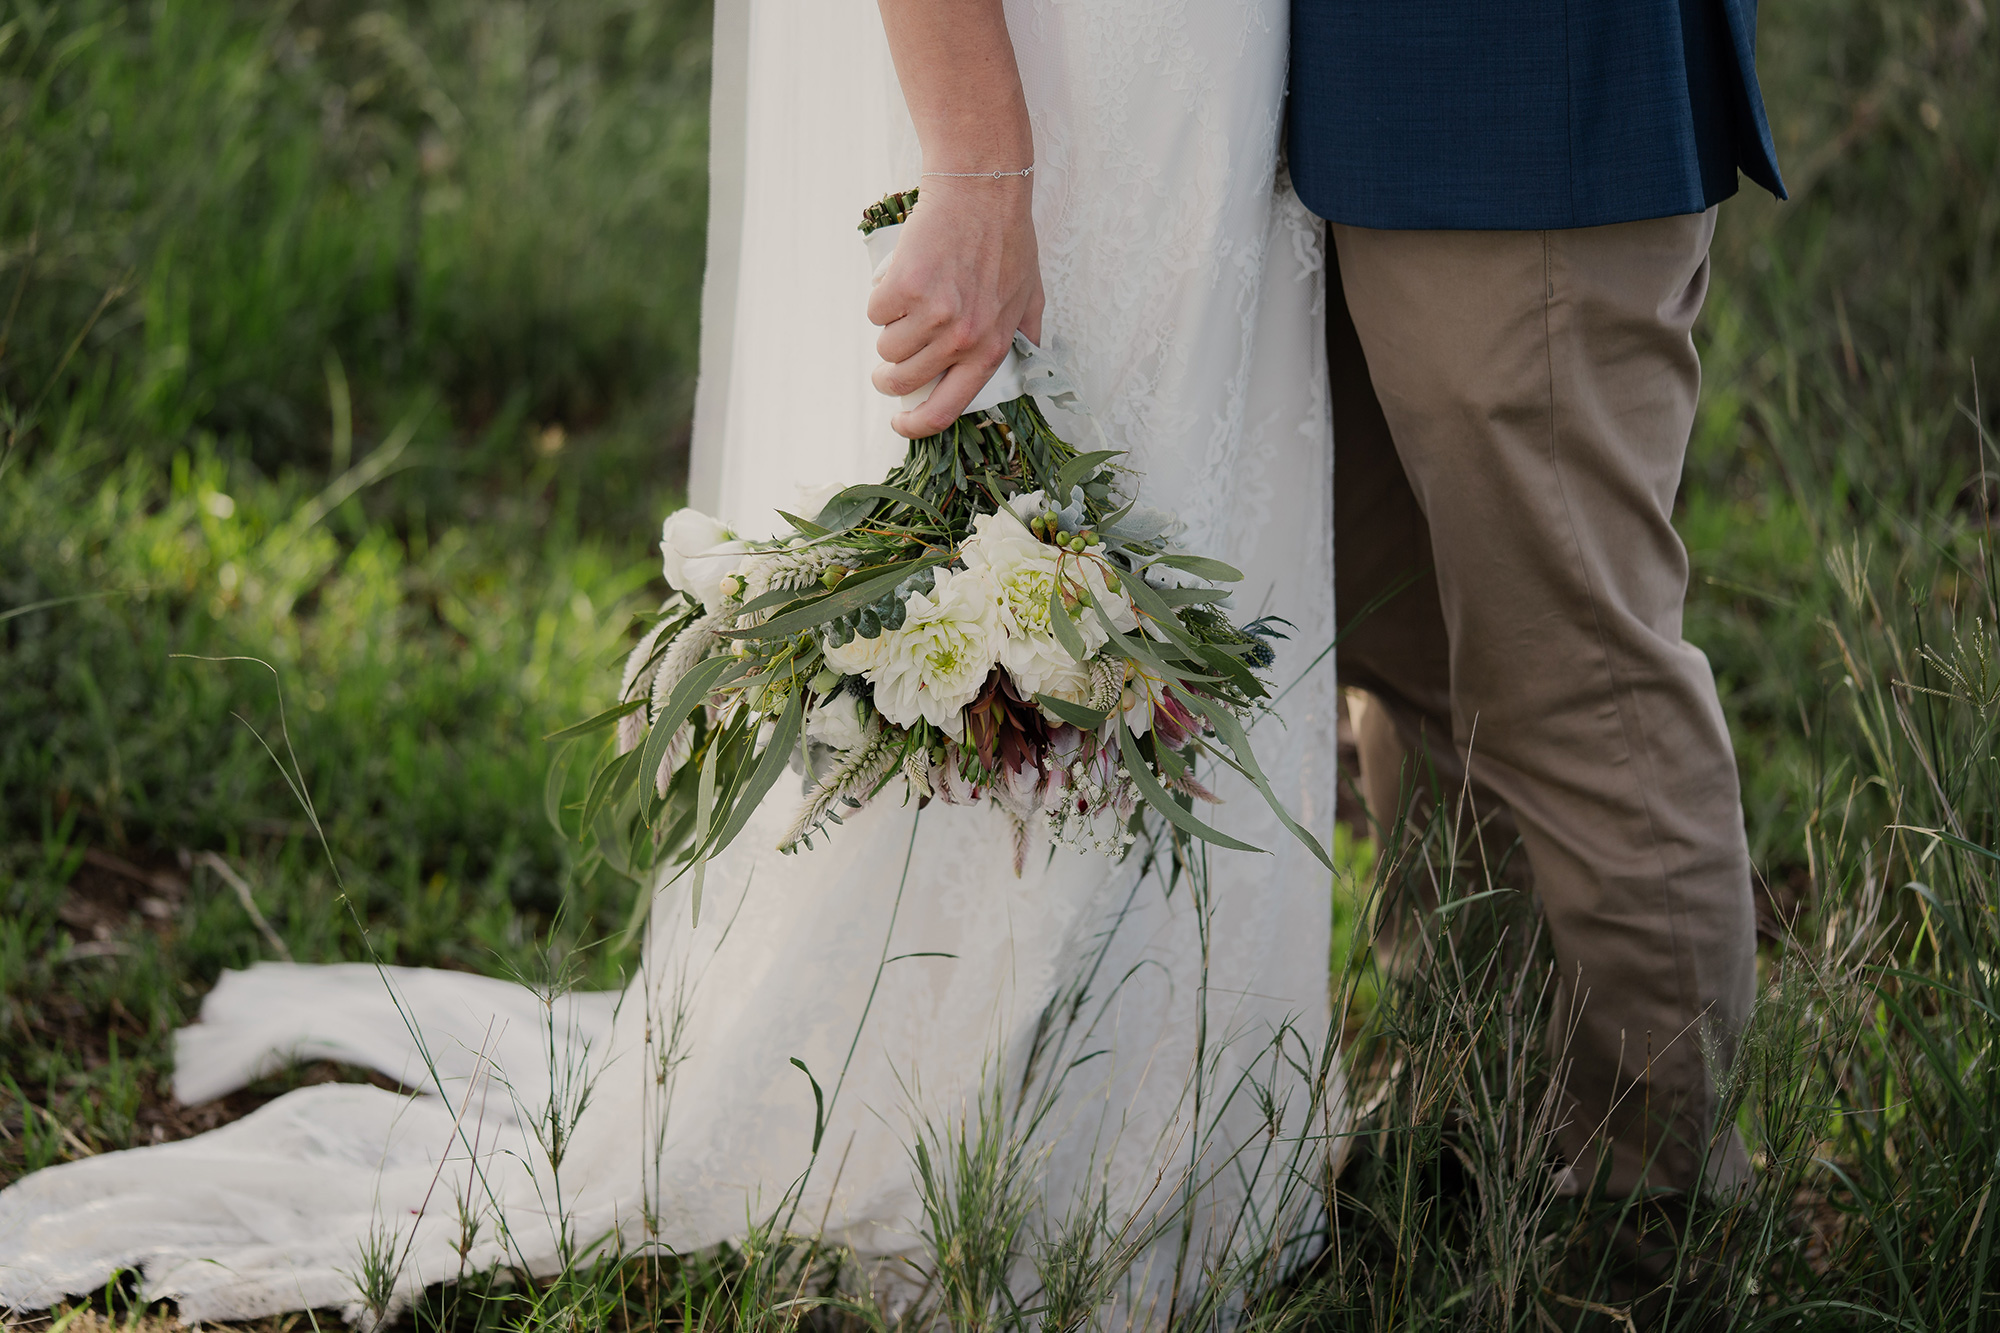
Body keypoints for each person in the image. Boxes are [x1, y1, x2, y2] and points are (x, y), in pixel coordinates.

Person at [1, 1, 1339, 1322]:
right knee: (1069, 500)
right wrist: (981, 162)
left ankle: (1159, 1103)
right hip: (1064, 76)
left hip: (1195, 72)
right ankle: (951, 1123)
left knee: (1175, 490)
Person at [1292, 1, 1785, 1203]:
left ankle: (1645, 1223)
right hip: (1339, 91)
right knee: (1412, 645)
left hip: (1522, 88)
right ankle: (1474, 1121)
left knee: (1573, 685)